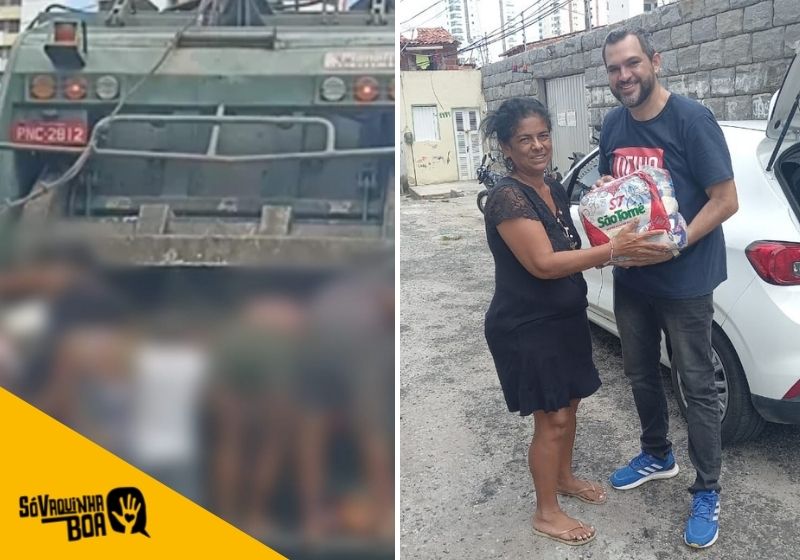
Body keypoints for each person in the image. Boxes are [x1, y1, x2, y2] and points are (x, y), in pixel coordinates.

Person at [481, 97, 667, 546]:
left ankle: (563, 479)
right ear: (506, 147)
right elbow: (544, 264)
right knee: (553, 420)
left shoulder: (552, 187)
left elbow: (569, 246)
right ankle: (546, 512)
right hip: (527, 326)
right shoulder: (508, 198)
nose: (537, 146)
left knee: (570, 407)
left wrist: (612, 206)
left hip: (563, 319)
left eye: (543, 135)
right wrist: (612, 251)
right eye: (525, 139)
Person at [596, 28, 739, 549]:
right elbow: (615, 190)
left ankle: (707, 489)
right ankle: (657, 455)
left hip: (685, 281)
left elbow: (725, 199)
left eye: (632, 63)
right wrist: (604, 198)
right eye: (614, 68)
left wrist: (678, 241)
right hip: (632, 276)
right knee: (639, 372)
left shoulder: (691, 120)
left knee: (696, 385)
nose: (624, 75)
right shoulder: (613, 124)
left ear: (655, 61)